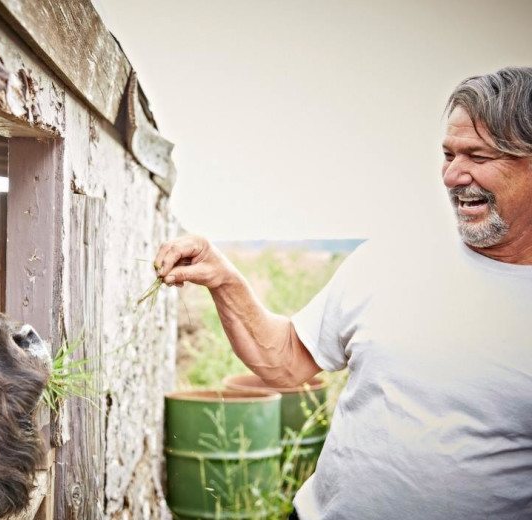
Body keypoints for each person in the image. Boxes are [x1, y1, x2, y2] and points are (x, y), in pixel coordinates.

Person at [155, 67, 532, 520]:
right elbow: (286, 358)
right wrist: (225, 280)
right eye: (448, 154)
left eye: (477, 155)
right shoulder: (387, 262)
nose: (453, 175)